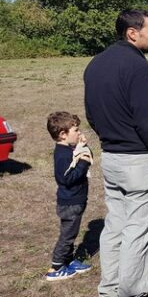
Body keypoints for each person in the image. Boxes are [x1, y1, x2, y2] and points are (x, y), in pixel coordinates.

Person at [84, 9, 148, 297]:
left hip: (111, 158)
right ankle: (131, 293)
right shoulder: (137, 66)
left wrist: (110, 139)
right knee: (138, 233)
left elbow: (91, 115)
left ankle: (109, 290)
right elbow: (146, 119)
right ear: (132, 33)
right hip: (139, 161)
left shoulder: (95, 64)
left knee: (115, 227)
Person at [45, 111, 94, 281]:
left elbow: (86, 154)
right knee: (67, 236)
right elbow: (66, 179)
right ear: (63, 134)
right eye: (76, 130)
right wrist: (83, 162)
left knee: (71, 234)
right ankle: (56, 267)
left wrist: (84, 147)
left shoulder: (70, 149)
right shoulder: (62, 154)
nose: (79, 133)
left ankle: (68, 260)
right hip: (70, 203)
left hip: (76, 200)